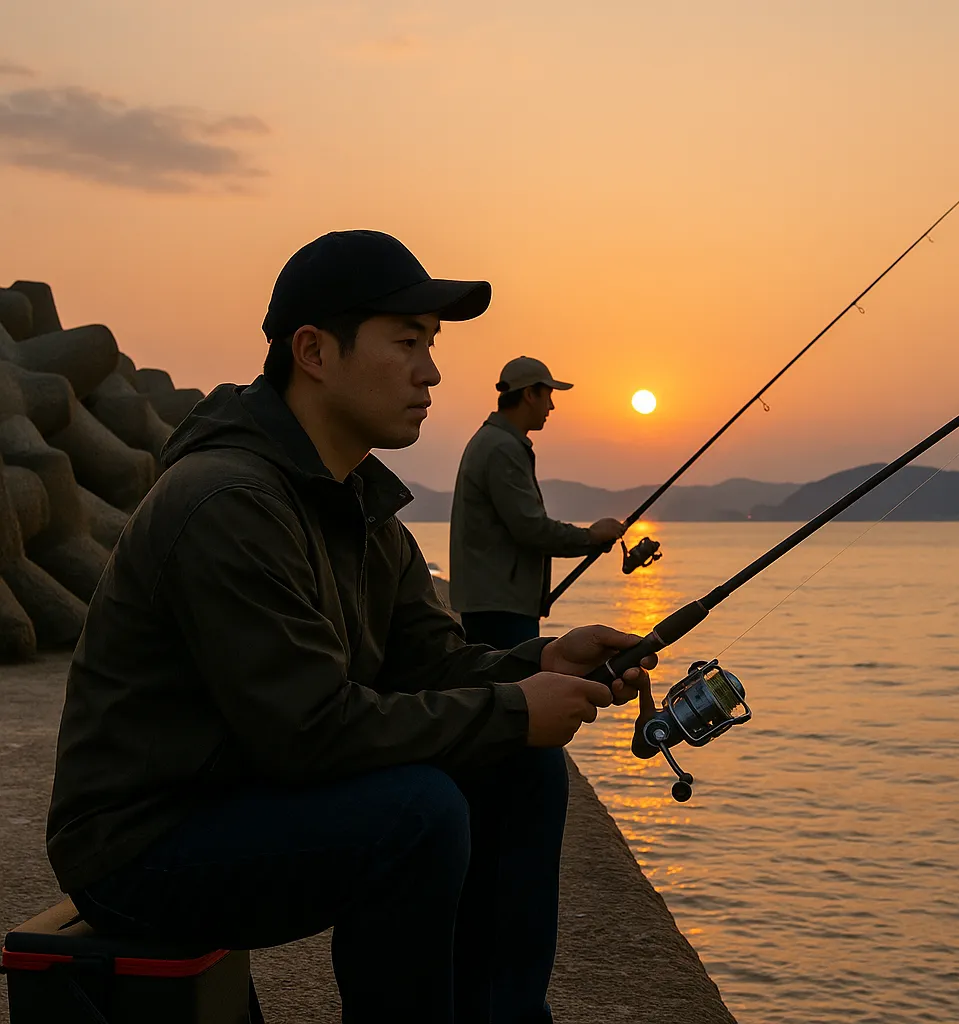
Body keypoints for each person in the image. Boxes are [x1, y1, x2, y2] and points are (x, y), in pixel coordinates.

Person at [45, 230, 656, 1024]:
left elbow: (428, 659)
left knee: (521, 766)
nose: (431, 370)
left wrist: (543, 661)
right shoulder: (226, 502)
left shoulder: (359, 505)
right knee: (417, 813)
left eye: (431, 345)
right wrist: (515, 708)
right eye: (407, 342)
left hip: (241, 792)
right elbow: (310, 731)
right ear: (314, 351)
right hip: (143, 843)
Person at [449, 356, 625, 647]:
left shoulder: (493, 442)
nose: (552, 407)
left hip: (496, 603)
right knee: (518, 687)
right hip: (501, 609)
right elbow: (531, 529)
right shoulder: (501, 448)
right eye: (548, 396)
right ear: (530, 394)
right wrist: (591, 536)